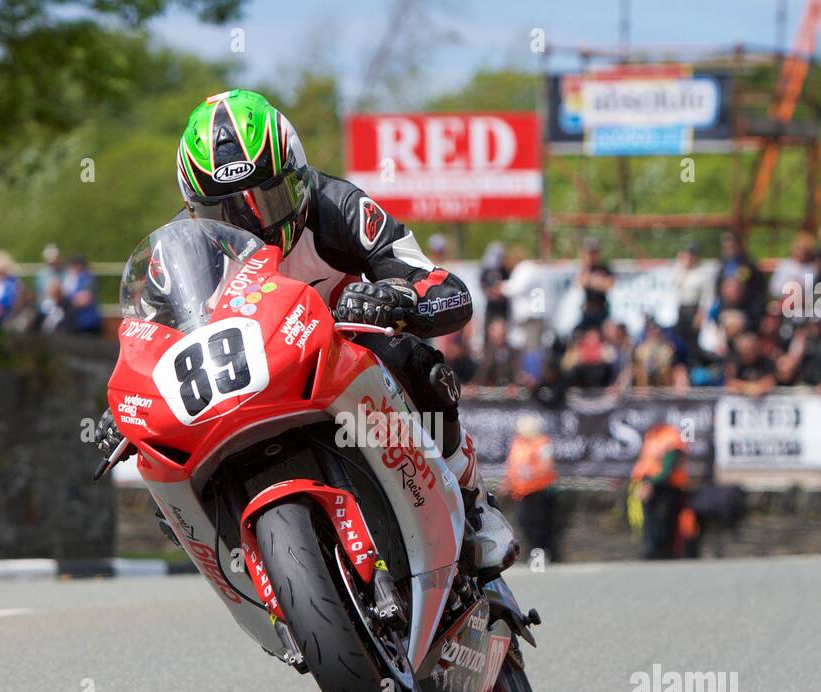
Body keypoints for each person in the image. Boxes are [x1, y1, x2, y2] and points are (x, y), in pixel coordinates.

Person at [95, 88, 516, 578]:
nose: (252, 227)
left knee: (417, 363)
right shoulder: (179, 255)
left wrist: (398, 297)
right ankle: (242, 563)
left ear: (298, 178)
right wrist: (126, 409)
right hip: (246, 379)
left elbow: (441, 285)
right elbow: (149, 342)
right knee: (166, 465)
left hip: (340, 356)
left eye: (267, 201)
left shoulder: (339, 207)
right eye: (223, 214)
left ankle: (474, 501)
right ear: (194, 211)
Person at [631, 421, 689, 560]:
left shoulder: (671, 437)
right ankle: (650, 551)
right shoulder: (650, 435)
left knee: (667, 521)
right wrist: (643, 482)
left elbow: (668, 468)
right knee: (648, 519)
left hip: (668, 486)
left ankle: (665, 554)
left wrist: (650, 484)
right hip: (647, 483)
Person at [504, 415, 559, 562]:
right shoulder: (518, 443)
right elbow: (512, 465)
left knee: (540, 524)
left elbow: (545, 466)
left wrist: (529, 474)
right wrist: (508, 482)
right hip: (522, 491)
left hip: (539, 490)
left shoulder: (543, 443)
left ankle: (541, 555)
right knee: (524, 522)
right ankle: (536, 553)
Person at [575, 237, 614, 331]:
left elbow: (608, 285)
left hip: (602, 310)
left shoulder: (604, 269)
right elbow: (580, 284)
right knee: (577, 336)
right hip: (586, 311)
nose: (591, 255)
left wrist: (590, 280)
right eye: (589, 253)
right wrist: (597, 281)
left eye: (594, 252)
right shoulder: (582, 268)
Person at [63, 255, 102, 334]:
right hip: (77, 322)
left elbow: (84, 299)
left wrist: (67, 302)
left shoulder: (87, 278)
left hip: (87, 323)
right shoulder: (72, 278)